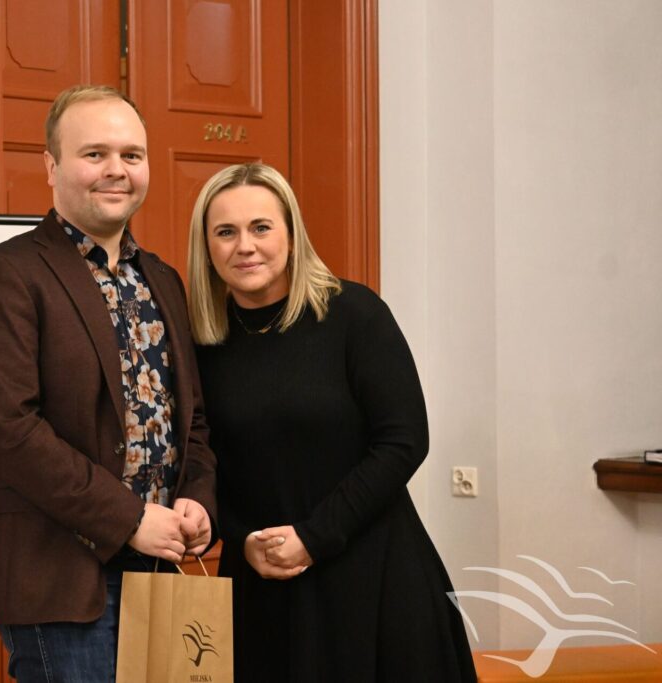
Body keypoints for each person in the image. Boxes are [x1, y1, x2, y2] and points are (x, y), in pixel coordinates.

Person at [0, 85, 216, 682]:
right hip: (60, 584)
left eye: (131, 155)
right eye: (94, 154)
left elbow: (192, 418)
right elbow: (10, 433)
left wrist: (199, 498)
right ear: (51, 166)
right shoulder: (2, 276)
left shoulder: (163, 280)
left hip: (161, 573)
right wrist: (129, 518)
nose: (116, 170)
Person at [187, 163, 476, 682]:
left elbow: (404, 440)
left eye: (261, 227)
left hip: (372, 575)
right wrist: (241, 536)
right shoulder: (202, 343)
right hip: (263, 586)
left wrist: (315, 536)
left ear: (292, 235)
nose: (245, 246)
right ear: (206, 248)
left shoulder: (354, 314)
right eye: (225, 232)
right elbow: (202, 457)